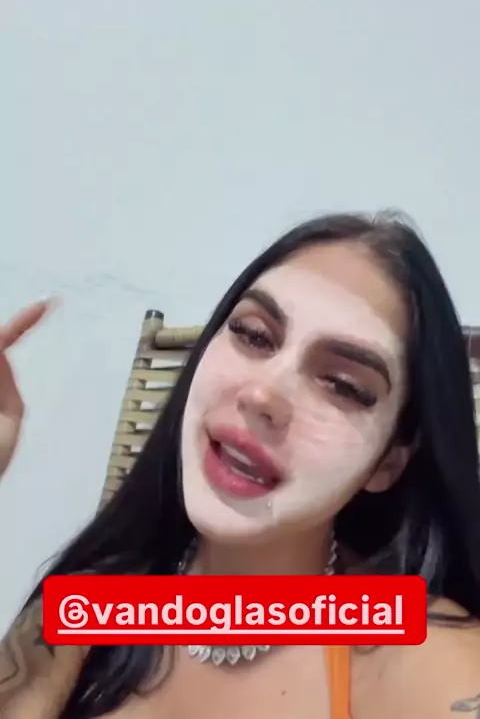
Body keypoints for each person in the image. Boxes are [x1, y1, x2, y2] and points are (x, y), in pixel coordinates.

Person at [1, 211, 479, 719]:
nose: (261, 394)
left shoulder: (419, 652)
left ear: (388, 461)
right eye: (253, 335)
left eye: (342, 385)